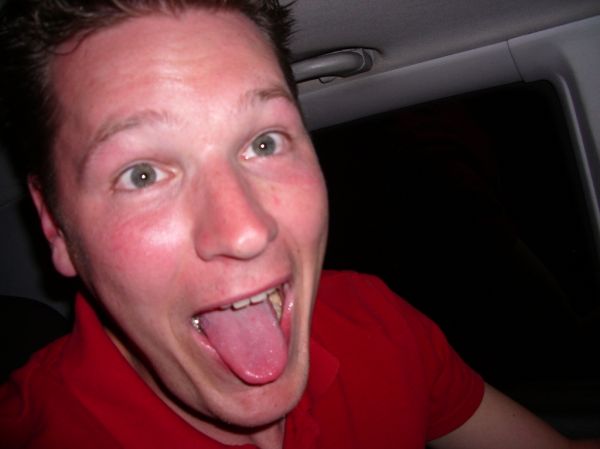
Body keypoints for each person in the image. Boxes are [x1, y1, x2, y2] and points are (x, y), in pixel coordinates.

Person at [0, 1, 597, 448]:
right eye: (142, 174)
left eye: (264, 142)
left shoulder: (374, 323)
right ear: (55, 226)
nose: (245, 232)